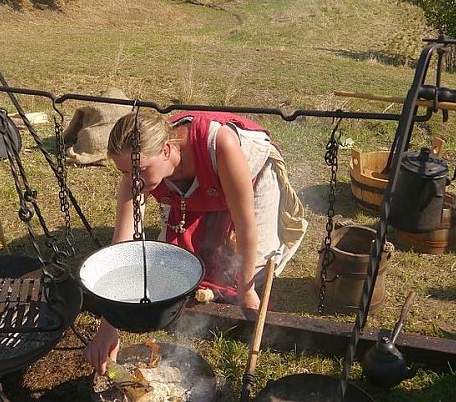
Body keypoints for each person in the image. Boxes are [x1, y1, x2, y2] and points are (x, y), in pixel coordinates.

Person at [84, 110, 308, 375]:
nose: (134, 180)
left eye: (141, 170)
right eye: (125, 172)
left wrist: (246, 289)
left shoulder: (220, 145)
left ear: (166, 150)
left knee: (250, 269)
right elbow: (121, 249)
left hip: (250, 173)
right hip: (192, 184)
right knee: (176, 265)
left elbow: (246, 225)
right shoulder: (136, 169)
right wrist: (108, 325)